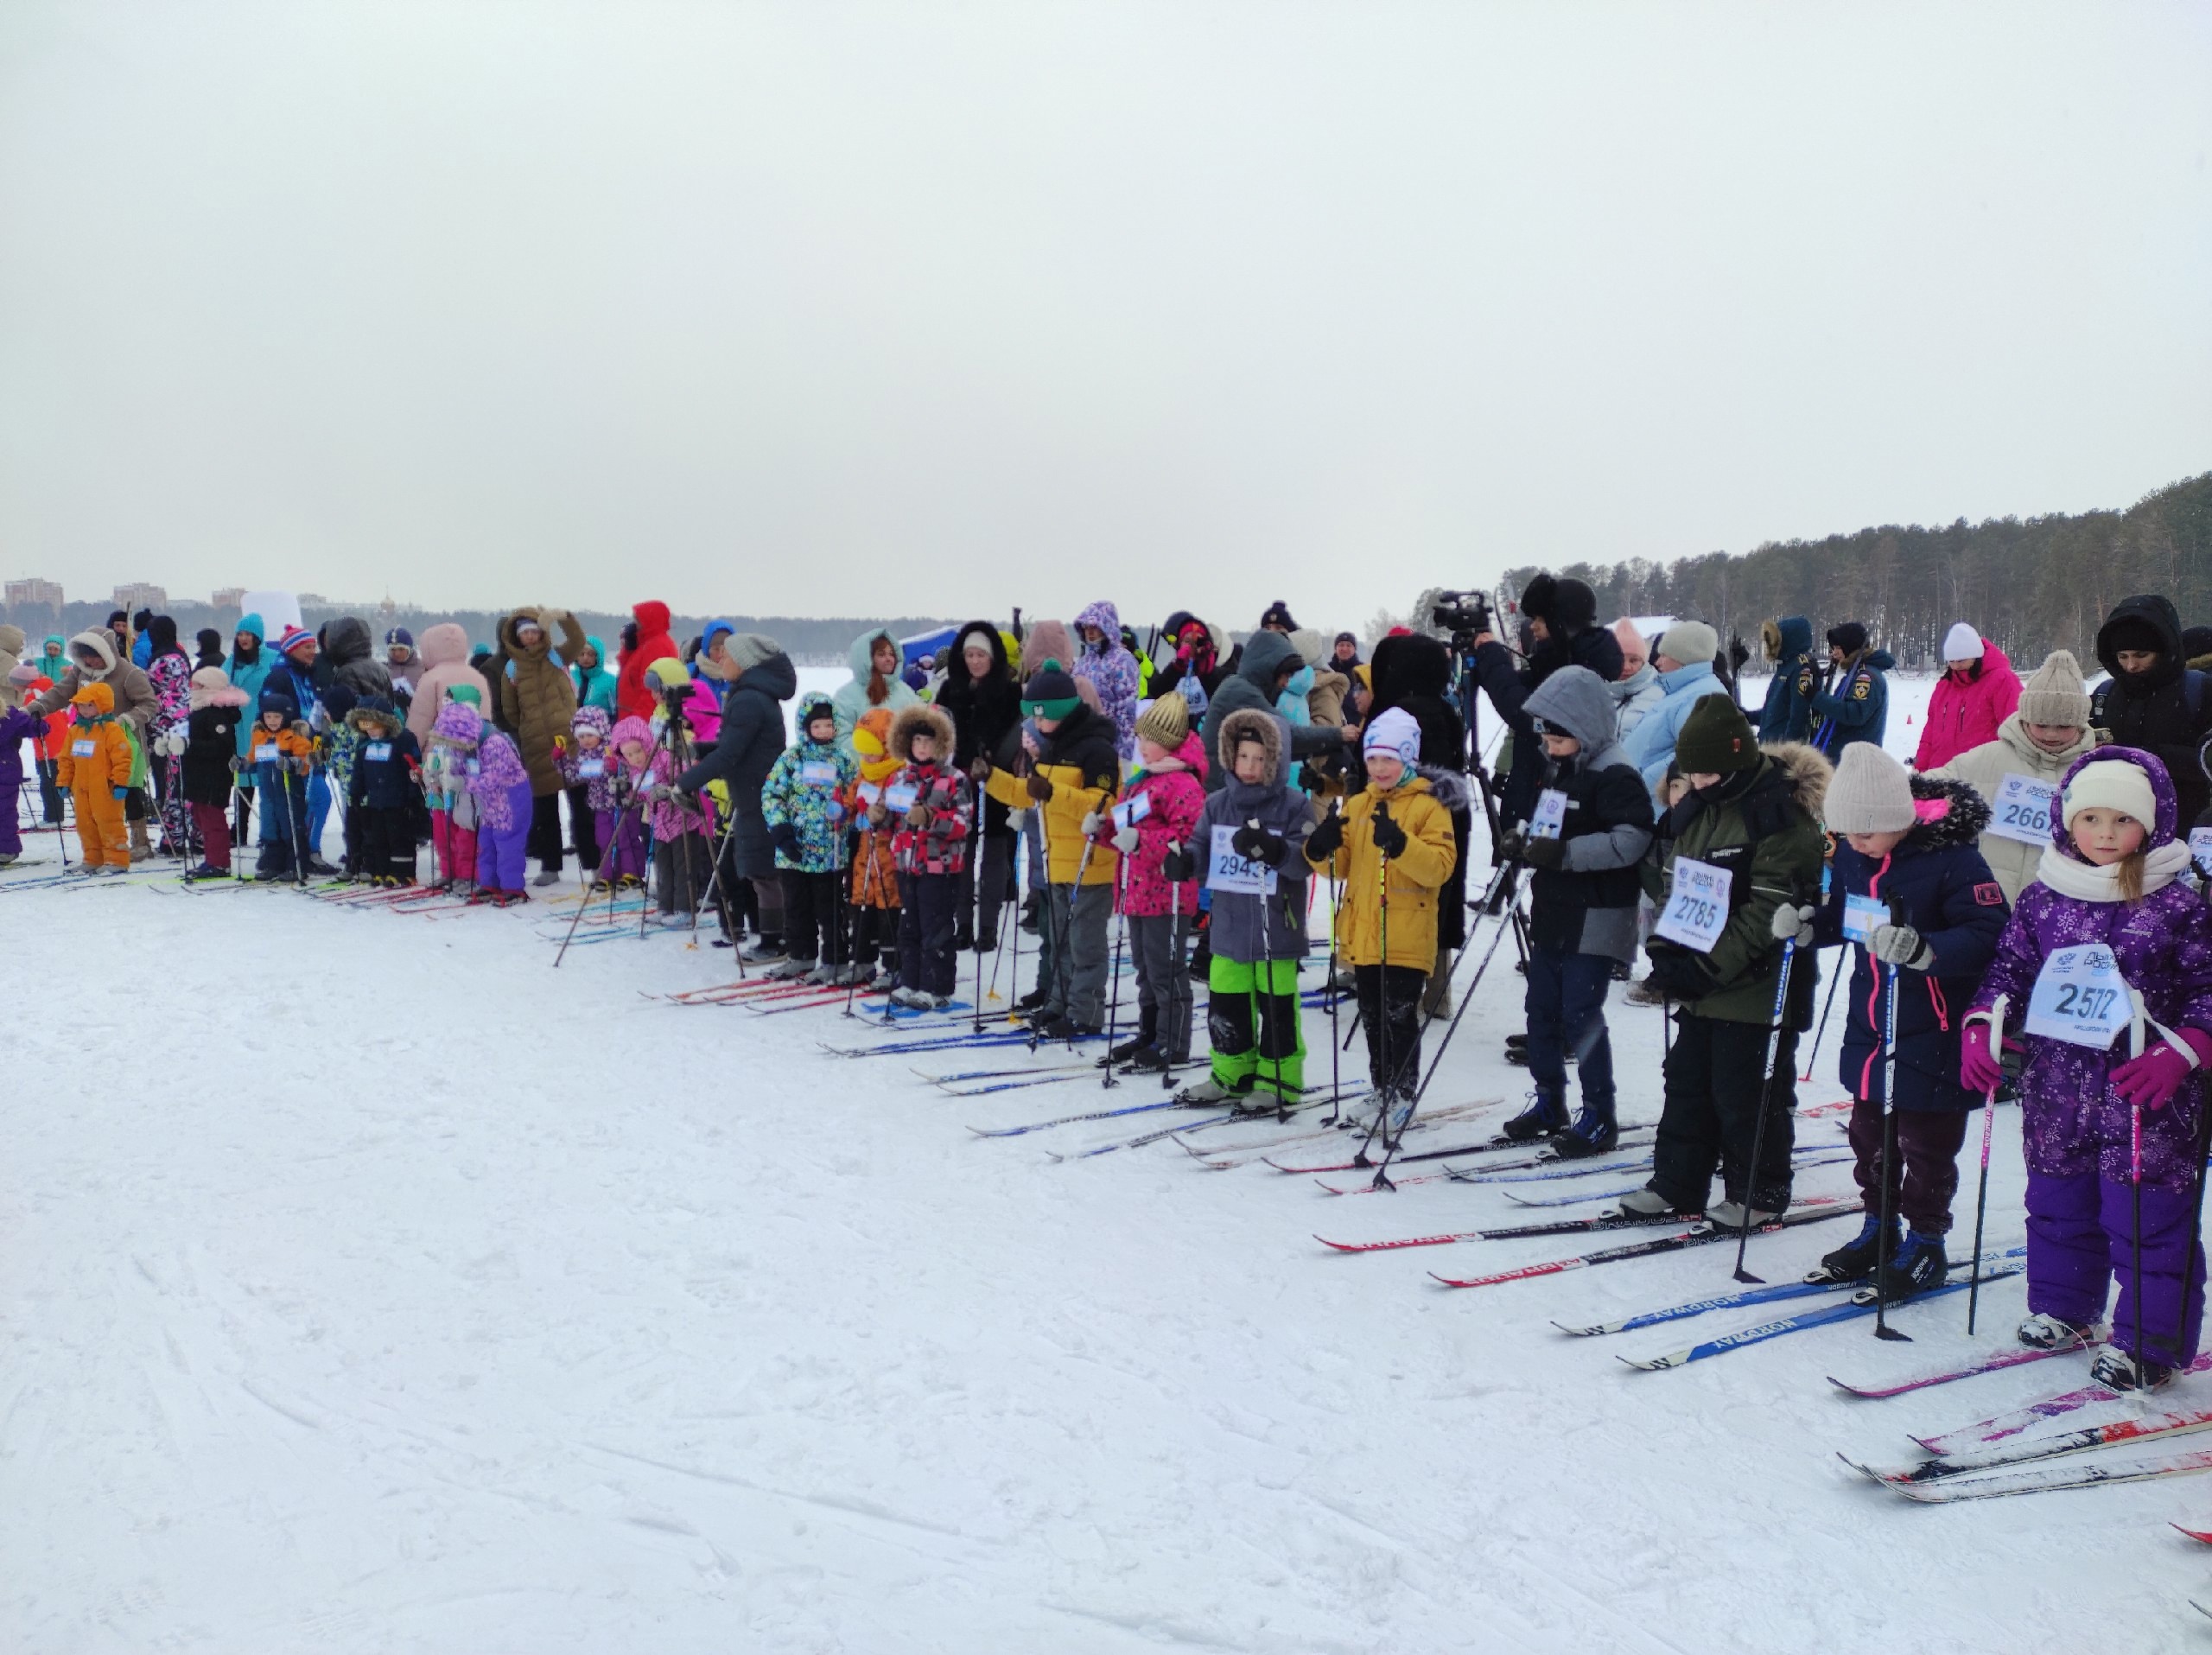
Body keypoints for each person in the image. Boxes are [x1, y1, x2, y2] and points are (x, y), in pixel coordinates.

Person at [1964, 748, 2212, 1394]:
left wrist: (2187, 1046)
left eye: (2122, 820)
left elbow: (2206, 987)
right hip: (2057, 1088)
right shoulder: (2045, 898)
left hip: (2146, 1095)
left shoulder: (2179, 904)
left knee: (2148, 1220)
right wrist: (1983, 1024)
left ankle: (2149, 1343)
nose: (2105, 833)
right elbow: (2008, 971)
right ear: (2066, 821)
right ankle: (2068, 1306)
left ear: (2151, 826)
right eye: (2091, 817)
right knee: (2058, 1204)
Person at [1781, 745, 2007, 1299]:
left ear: (1897, 820)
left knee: (1926, 1145)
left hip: (1933, 1027)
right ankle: (1879, 1230)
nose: (1853, 845)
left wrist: (1926, 949)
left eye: (1864, 833)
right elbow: (1854, 917)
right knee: (1869, 1138)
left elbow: (1990, 933)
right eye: (1845, 834)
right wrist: (1815, 926)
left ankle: (1926, 1241)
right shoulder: (1858, 855)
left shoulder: (1955, 860)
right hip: (1870, 1020)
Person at [1620, 696, 1831, 1226]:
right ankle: (1677, 1182)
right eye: (1693, 772)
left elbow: (1768, 908)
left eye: (1712, 771)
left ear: (1739, 759)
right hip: (1700, 982)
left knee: (1748, 1095)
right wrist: (1667, 948)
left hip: (1757, 986)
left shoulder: (1780, 816)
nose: (1702, 781)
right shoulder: (1697, 806)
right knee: (1686, 1084)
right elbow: (1673, 880)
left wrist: (1708, 967)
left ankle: (1757, 1193)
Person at [1490, 666, 1654, 1153]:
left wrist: (1562, 853)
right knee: (1541, 1009)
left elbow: (1632, 841)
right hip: (1556, 909)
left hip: (1599, 914)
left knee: (1581, 1013)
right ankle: (1549, 1101)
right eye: (1545, 733)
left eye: (1559, 736)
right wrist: (1526, 842)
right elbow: (1550, 824)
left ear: (1584, 729)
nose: (1548, 744)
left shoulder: (1617, 775)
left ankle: (1600, 1113)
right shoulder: (1560, 767)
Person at [1303, 706, 1458, 1111]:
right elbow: (1343, 866)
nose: (1379, 767)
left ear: (1408, 758)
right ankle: (1381, 1089)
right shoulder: (1358, 804)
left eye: (1389, 758)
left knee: (1399, 1016)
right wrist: (1321, 848)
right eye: (1372, 758)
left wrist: (1402, 844)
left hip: (1405, 934)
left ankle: (1402, 1093)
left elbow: (1439, 868)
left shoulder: (1429, 805)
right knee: (1372, 1016)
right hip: (1364, 932)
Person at [1173, 707, 1314, 1109]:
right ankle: (1231, 1072)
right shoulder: (1218, 803)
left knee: (1277, 1008)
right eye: (1242, 756)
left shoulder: (1293, 805)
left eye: (1259, 757)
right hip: (1229, 927)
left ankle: (1279, 1080)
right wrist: (1186, 861)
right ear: (1229, 757)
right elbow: (1202, 845)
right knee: (1227, 1002)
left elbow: (1306, 858)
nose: (1249, 766)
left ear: (1275, 759)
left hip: (1277, 927)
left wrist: (1275, 851)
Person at [980, 659, 1121, 1039]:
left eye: (1040, 718)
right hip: (1056, 862)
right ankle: (1059, 1006)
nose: (1036, 727)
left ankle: (1085, 1013)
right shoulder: (1053, 748)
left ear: (1059, 712)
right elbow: (1027, 795)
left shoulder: (1097, 750)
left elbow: (1103, 805)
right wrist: (990, 777)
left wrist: (1054, 792)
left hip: (1088, 866)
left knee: (1085, 945)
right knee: (1060, 943)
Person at [1927, 650, 2098, 904]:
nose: (2051, 735)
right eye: (2040, 725)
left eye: (2063, 726)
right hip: (1988, 900)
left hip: (2057, 909)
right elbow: (1928, 787)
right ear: (2025, 717)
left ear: (2081, 722)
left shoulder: (2095, 772)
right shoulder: (1988, 758)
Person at [1094, 694, 1207, 1071]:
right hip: (1137, 890)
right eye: (1140, 738)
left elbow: (1186, 838)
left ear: (1171, 742)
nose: (1142, 746)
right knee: (1145, 967)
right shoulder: (1143, 781)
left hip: (1167, 891)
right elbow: (1127, 827)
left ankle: (1173, 1041)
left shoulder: (1182, 784)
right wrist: (1102, 830)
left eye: (1150, 739)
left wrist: (1144, 842)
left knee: (1166, 968)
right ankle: (1150, 1031)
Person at [677, 633, 798, 959]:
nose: (720, 660)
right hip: (756, 792)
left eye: (727, 656)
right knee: (762, 870)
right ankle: (777, 938)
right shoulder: (752, 695)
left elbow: (730, 754)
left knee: (764, 871)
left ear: (745, 662)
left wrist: (686, 781)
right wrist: (701, 748)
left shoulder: (748, 699)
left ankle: (776, 943)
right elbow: (737, 745)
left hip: (758, 794)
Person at [25, 628, 160, 858]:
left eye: (94, 655)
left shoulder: (129, 673)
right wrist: (35, 709)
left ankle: (140, 841)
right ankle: (103, 842)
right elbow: (59, 694)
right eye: (85, 656)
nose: (89, 661)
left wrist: (127, 719)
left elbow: (149, 704)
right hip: (90, 745)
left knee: (130, 791)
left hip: (123, 743)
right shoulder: (81, 672)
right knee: (96, 795)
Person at [2088, 594, 2212, 831]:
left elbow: (2207, 761)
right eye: (2122, 657)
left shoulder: (2199, 691)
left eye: (2141, 655)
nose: (2131, 665)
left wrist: (2150, 758)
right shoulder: (2105, 693)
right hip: (2114, 830)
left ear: (2165, 650)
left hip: (2185, 827)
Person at [934, 621, 1020, 954]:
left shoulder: (1010, 691)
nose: (974, 661)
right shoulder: (949, 689)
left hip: (997, 777)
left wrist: (995, 759)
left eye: (980, 655)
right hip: (960, 779)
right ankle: (963, 923)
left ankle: (988, 926)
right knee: (962, 853)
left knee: (995, 853)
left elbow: (1016, 733)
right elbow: (940, 731)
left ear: (992, 657)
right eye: (969, 654)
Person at [761, 695, 859, 985]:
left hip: (830, 851)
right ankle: (800, 954)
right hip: (794, 849)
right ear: (806, 728)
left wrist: (850, 819)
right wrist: (781, 830)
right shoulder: (791, 759)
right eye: (817, 726)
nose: (824, 731)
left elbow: (855, 796)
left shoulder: (842, 760)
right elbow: (772, 794)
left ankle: (835, 959)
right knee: (795, 906)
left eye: (829, 725)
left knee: (829, 909)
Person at [883, 703, 971, 1009]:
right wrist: (879, 816)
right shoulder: (900, 778)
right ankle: (909, 979)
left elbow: (963, 823)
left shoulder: (955, 779)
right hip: (907, 864)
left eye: (929, 741)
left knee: (937, 928)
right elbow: (892, 823)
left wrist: (931, 817)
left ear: (942, 743)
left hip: (940, 866)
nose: (922, 747)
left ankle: (937, 986)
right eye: (917, 740)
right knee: (910, 927)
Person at [493, 607, 586, 886]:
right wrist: (528, 727)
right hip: (536, 746)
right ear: (517, 637)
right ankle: (550, 865)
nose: (531, 637)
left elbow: (578, 642)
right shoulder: (511, 668)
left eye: (534, 631)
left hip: (568, 739)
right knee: (545, 811)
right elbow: (510, 710)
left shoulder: (556, 655)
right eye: (525, 633)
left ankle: (593, 861)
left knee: (581, 804)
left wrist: (564, 617)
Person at [1622, 621, 1729, 805]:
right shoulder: (1681, 691)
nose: (1657, 661)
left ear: (1684, 657)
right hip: (1644, 800)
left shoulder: (1700, 696)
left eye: (1664, 655)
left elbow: (1692, 753)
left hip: (1656, 804)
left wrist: (1642, 780)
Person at [842, 707, 906, 989]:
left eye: (872, 751)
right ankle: (862, 961)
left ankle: (894, 966)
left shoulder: (900, 774)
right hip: (865, 852)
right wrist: (842, 810)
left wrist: (884, 815)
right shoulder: (864, 773)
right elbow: (852, 799)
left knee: (888, 907)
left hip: (888, 854)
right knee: (860, 903)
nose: (867, 757)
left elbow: (902, 811)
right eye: (863, 751)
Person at [1913, 625, 2021, 772]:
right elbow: (1930, 733)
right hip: (1940, 774)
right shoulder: (1944, 686)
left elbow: (2015, 732)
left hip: (1981, 776)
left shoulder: (2002, 681)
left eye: (1962, 660)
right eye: (1952, 661)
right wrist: (1919, 768)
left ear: (1975, 656)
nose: (1956, 666)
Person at [458, 704, 532, 907]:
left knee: (507, 843)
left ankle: (513, 887)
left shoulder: (494, 743)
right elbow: (463, 768)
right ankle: (489, 883)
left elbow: (493, 777)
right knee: (487, 841)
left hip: (510, 799)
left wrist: (465, 783)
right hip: (490, 803)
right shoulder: (468, 747)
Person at [345, 696, 422, 887]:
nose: (369, 729)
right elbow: (359, 770)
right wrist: (355, 792)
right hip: (375, 799)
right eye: (363, 724)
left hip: (398, 800)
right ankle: (381, 870)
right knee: (377, 836)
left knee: (399, 837)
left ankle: (403, 872)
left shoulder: (402, 740)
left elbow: (412, 768)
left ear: (385, 722)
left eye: (373, 724)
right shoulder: (364, 744)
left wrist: (413, 796)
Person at [180, 666, 247, 881]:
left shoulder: (216, 713)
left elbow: (221, 747)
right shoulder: (200, 709)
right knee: (200, 816)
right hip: (199, 774)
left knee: (212, 819)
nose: (193, 688)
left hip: (213, 775)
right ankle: (212, 858)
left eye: (198, 685)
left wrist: (189, 745)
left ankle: (219, 862)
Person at [248, 684, 316, 882]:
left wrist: (292, 762)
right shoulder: (259, 736)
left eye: (277, 717)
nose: (272, 721)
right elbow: (252, 759)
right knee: (269, 827)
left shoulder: (293, 737)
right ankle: (272, 863)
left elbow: (305, 762)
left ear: (286, 717)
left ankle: (295, 864)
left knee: (290, 826)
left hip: (288, 792)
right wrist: (243, 763)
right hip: (267, 794)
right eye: (268, 717)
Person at [143, 617, 194, 856]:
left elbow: (149, 689)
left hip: (165, 724)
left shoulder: (163, 660)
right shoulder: (181, 656)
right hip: (184, 720)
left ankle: (172, 837)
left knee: (171, 785)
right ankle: (194, 833)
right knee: (184, 782)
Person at [424, 692, 485, 892]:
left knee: (464, 840)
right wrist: (430, 777)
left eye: (452, 703)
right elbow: (432, 764)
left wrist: (450, 781)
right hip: (441, 797)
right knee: (442, 839)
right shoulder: (440, 736)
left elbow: (466, 771)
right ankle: (448, 872)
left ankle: (469, 875)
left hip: (461, 798)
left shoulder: (468, 739)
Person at [831, 627, 921, 759]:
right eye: (881, 654)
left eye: (891, 654)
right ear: (867, 659)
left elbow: (922, 727)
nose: (889, 659)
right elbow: (841, 738)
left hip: (902, 772)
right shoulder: (846, 696)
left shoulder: (905, 691)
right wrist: (874, 756)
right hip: (865, 774)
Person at [1810, 622, 1893, 758]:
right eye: (1833, 648)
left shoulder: (1866, 677)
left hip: (1856, 761)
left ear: (1850, 648)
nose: (1834, 652)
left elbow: (1854, 713)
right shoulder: (1853, 674)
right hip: (1845, 756)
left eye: (1838, 648)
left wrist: (1816, 697)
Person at [1071, 600, 1141, 760]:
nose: (1090, 632)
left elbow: (1127, 712)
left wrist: (1123, 754)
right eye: (1086, 627)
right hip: (1083, 742)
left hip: (1113, 744)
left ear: (1107, 626)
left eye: (1095, 626)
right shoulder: (1082, 663)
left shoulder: (1124, 661)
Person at [404, 623, 491, 752]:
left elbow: (420, 722)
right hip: (477, 749)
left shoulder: (431, 678)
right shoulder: (478, 677)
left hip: (440, 755)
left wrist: (410, 750)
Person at [226, 614, 271, 844]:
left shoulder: (271, 660)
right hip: (238, 728)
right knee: (242, 780)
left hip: (264, 727)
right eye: (240, 634)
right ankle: (239, 830)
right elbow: (218, 685)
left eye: (248, 634)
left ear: (258, 637)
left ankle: (269, 832)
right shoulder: (232, 662)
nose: (243, 638)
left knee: (267, 780)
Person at [1755, 615, 1818, 744]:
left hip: (1781, 751)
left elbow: (1799, 717)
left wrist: (1789, 751)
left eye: (1774, 640)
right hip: (1772, 745)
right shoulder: (1786, 667)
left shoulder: (1802, 668)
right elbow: (1774, 713)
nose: (1770, 645)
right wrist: (1744, 715)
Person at [615, 600, 681, 723]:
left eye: (638, 620)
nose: (634, 624)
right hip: (629, 716)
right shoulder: (646, 644)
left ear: (650, 620)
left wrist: (635, 723)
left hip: (638, 720)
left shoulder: (656, 646)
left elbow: (650, 691)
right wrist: (628, 648)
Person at [0, 678, 38, 866]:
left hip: (6, 772)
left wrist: (38, 726)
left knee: (5, 811)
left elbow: (27, 724)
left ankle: (7, 849)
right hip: (6, 769)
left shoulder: (9, 717)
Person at [1610, 619, 1665, 739]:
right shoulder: (1597, 693)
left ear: (1643, 661)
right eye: (1619, 660)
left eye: (1634, 660)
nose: (1626, 667)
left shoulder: (1661, 694)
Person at [572, 633, 618, 716]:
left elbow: (616, 711)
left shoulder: (610, 681)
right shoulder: (569, 677)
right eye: (581, 654)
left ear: (598, 656)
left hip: (600, 727)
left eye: (590, 654)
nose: (585, 658)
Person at [384, 627, 423, 697]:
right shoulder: (383, 670)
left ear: (410, 649)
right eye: (393, 649)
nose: (397, 653)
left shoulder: (423, 668)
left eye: (401, 649)